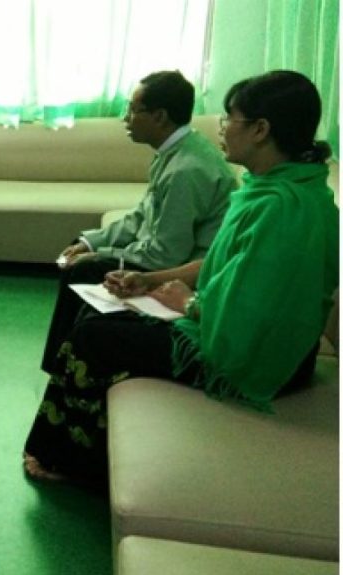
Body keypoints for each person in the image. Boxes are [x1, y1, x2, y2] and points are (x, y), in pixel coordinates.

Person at [23, 70, 338, 484]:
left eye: (229, 119)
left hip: (263, 360)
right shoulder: (272, 188)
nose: (221, 128)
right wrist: (152, 281)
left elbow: (250, 318)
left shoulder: (283, 210)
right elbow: (221, 264)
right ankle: (76, 443)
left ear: (261, 130)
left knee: (93, 337)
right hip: (245, 334)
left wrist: (186, 303)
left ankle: (73, 464)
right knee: (98, 318)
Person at [40, 71, 237, 374]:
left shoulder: (186, 170)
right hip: (168, 253)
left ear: (159, 117)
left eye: (133, 110)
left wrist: (104, 255)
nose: (125, 118)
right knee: (78, 250)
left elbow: (166, 254)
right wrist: (90, 242)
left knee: (84, 269)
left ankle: (65, 365)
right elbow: (142, 215)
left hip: (185, 269)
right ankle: (62, 362)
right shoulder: (176, 151)